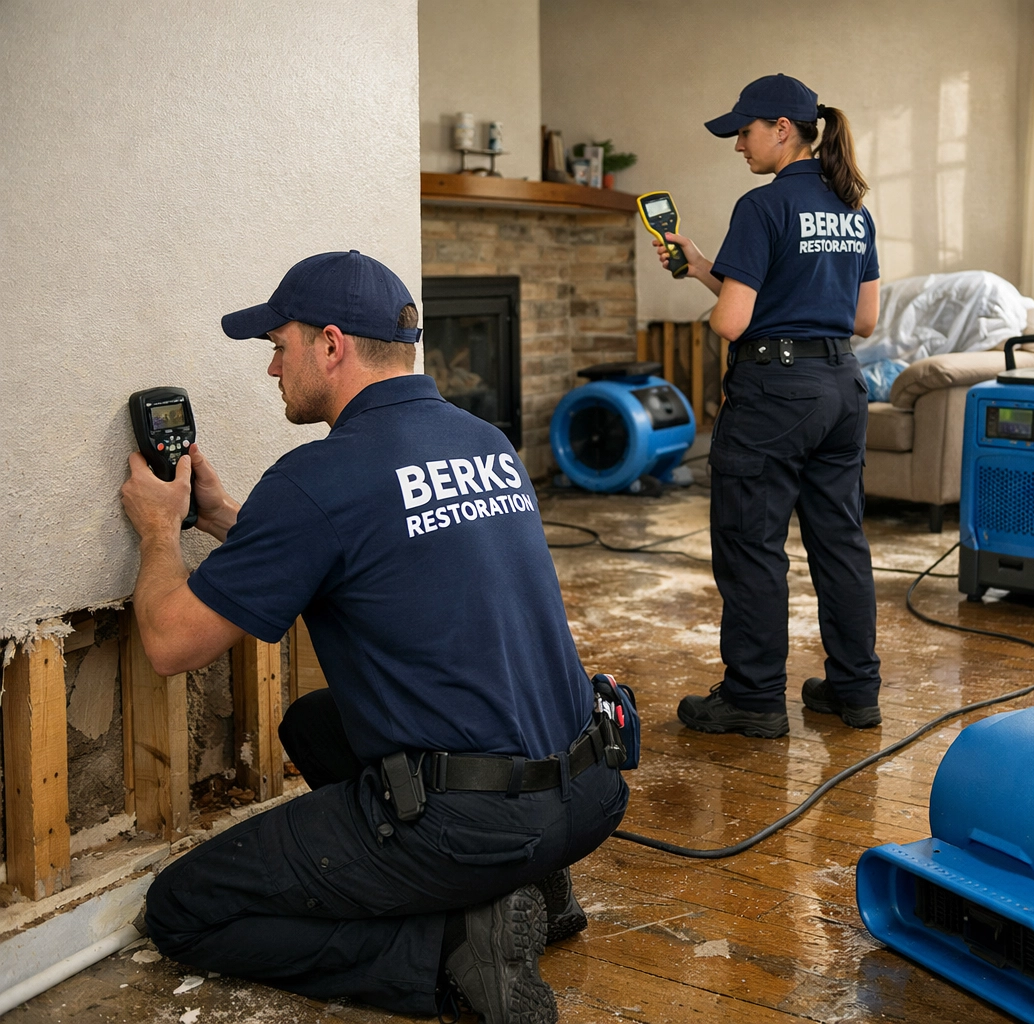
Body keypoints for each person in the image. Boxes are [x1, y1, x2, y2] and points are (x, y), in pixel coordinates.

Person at [119, 250, 626, 1024]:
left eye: (277, 346)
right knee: (314, 725)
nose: (271, 370)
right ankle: (537, 885)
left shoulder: (318, 476)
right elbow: (364, 543)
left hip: (479, 823)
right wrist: (224, 516)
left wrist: (158, 529)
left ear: (330, 345)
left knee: (186, 909)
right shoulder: (486, 441)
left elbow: (168, 643)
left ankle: (451, 951)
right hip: (587, 789)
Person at [655, 74, 882, 739]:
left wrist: (716, 308)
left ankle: (754, 698)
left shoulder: (761, 207)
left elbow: (732, 322)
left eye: (744, 132)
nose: (738, 147)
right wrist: (701, 265)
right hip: (841, 387)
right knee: (841, 543)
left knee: (752, 546)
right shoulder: (853, 209)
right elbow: (864, 318)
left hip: (774, 395)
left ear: (782, 127)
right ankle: (854, 690)